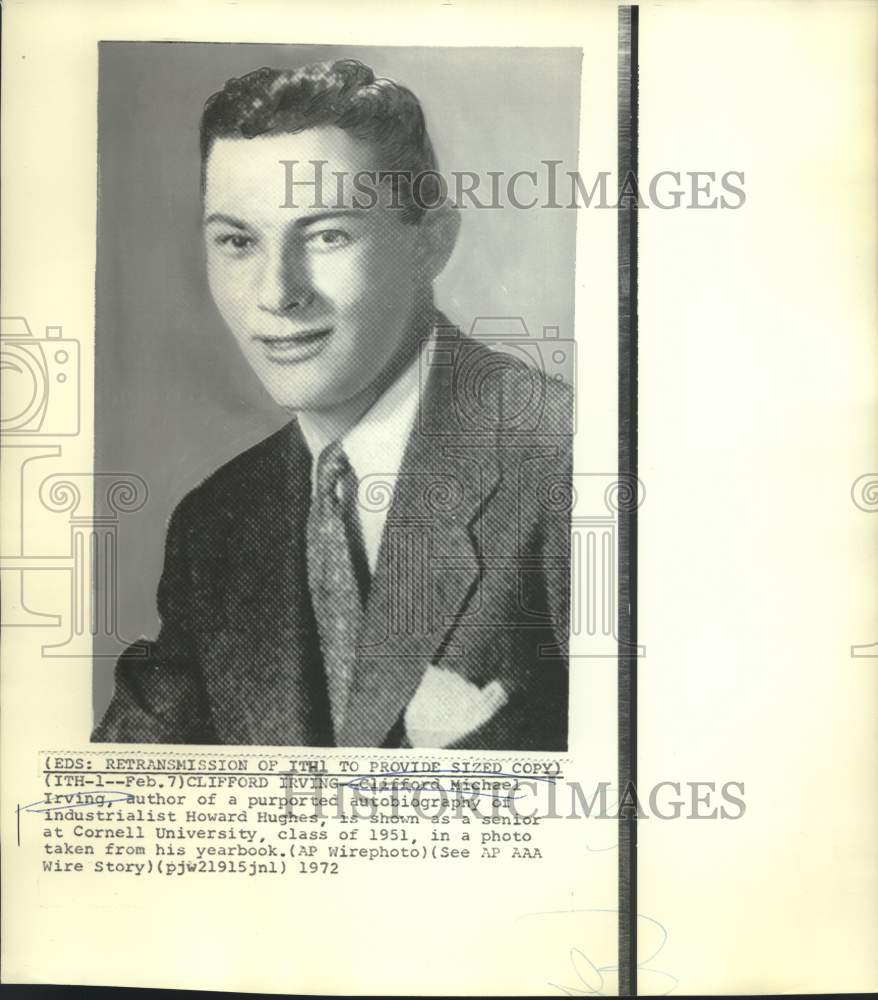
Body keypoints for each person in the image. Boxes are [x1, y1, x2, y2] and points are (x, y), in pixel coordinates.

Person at [93, 58, 571, 750]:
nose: (278, 293)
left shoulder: (567, 461)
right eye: (237, 241)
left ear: (431, 243)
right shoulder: (218, 525)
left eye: (325, 236)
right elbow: (110, 801)